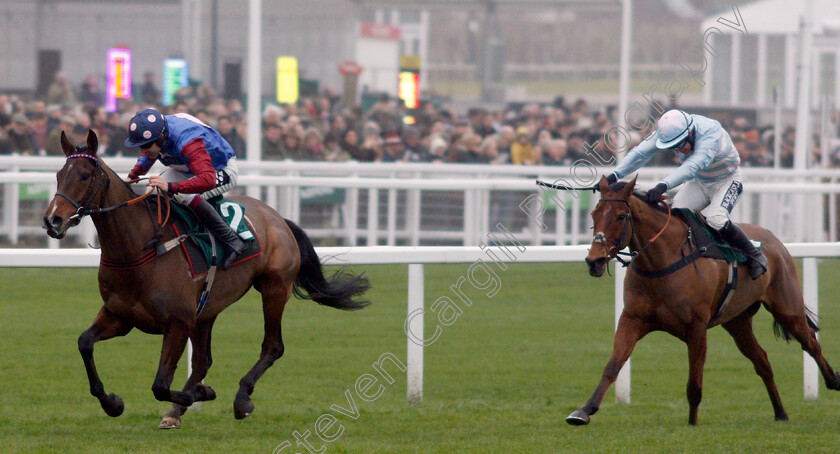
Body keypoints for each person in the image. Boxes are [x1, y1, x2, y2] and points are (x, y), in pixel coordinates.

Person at [606, 109, 768, 280]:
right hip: (700, 182)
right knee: (675, 216)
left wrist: (663, 186)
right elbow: (641, 153)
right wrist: (615, 175)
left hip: (727, 181)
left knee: (715, 219)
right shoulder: (667, 132)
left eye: (680, 144)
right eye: (673, 147)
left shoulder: (709, 133)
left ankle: (755, 256)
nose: (678, 150)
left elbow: (692, 166)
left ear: (691, 132)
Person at [123, 108, 245, 269]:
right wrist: (132, 177)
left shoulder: (188, 141)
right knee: (154, 190)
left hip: (220, 170)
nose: (143, 151)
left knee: (180, 194)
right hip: (189, 168)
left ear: (160, 137)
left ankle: (231, 239)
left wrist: (171, 187)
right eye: (140, 147)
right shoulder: (159, 131)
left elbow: (207, 180)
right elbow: (148, 154)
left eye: (146, 146)